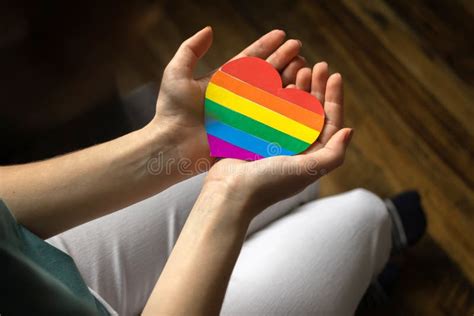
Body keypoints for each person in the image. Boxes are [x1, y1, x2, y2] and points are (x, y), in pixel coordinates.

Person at [0, 27, 426, 315]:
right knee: (359, 216)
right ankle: (376, 240)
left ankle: (355, 239)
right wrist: (228, 196)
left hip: (33, 258)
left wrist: (170, 141)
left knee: (296, 183)